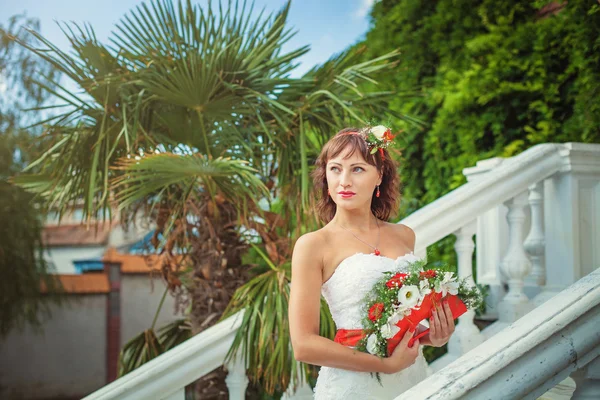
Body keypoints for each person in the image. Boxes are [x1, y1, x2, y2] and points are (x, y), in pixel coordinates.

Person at [289, 126, 457, 399]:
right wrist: (386, 366)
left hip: (411, 379)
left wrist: (433, 337)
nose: (344, 181)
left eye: (357, 169)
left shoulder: (404, 235)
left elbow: (403, 323)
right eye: (335, 169)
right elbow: (303, 345)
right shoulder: (313, 245)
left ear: (378, 176)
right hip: (351, 387)